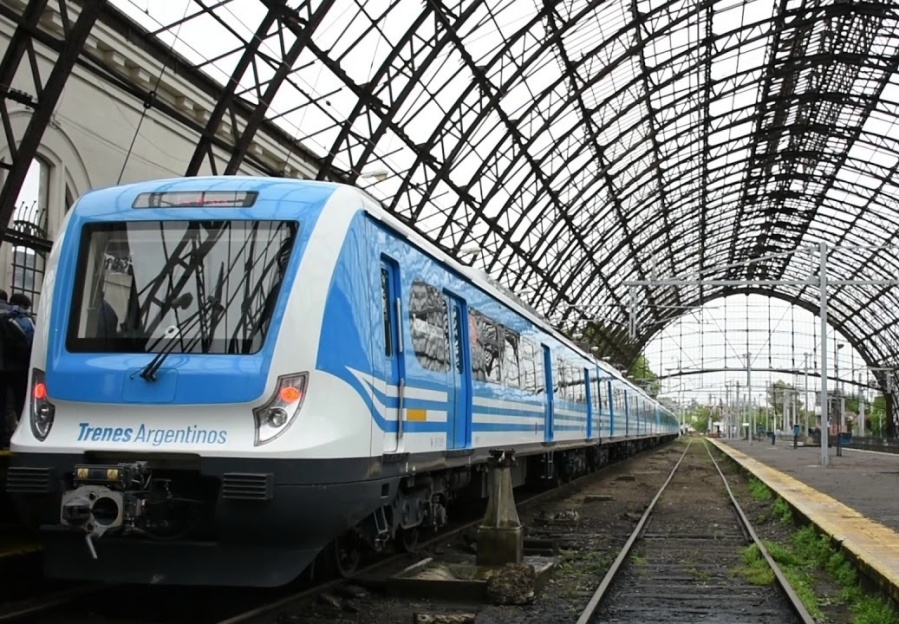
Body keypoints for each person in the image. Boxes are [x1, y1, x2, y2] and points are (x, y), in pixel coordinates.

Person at [0, 293, 35, 428]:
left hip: (3, 366)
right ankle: (24, 431)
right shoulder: (24, 318)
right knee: (21, 401)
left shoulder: (8, 317)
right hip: (20, 367)